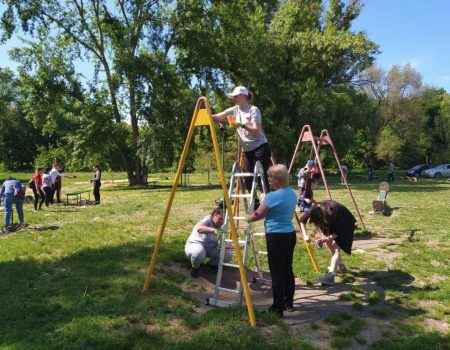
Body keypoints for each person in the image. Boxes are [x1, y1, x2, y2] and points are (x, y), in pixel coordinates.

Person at [247, 164, 297, 317]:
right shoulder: (292, 193)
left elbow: (258, 215)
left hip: (276, 236)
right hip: (289, 234)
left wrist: (246, 218)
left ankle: (277, 308)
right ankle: (288, 303)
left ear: (278, 179)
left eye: (271, 177)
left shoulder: (271, 197)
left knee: (276, 273)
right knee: (287, 269)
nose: (269, 180)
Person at [212, 86, 272, 195]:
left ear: (244, 96)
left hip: (260, 147)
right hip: (247, 149)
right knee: (247, 178)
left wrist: (242, 125)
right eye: (233, 97)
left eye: (236, 96)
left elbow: (257, 130)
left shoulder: (253, 110)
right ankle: (255, 204)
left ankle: (267, 201)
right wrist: (209, 116)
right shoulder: (233, 110)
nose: (234, 98)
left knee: (260, 177)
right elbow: (217, 116)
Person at [299, 200, 357, 285]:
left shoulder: (333, 213)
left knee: (336, 248)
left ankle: (330, 277)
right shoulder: (314, 210)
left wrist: (326, 238)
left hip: (347, 224)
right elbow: (302, 220)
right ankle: (340, 264)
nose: (318, 224)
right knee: (329, 242)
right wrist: (305, 235)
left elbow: (340, 231)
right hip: (334, 222)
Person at [184, 205, 232, 278]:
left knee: (228, 254)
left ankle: (211, 265)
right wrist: (214, 231)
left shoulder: (222, 224)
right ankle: (195, 267)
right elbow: (200, 229)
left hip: (211, 248)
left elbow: (222, 242)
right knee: (198, 253)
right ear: (215, 214)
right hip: (196, 245)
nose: (222, 222)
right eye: (221, 219)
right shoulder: (207, 219)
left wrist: (232, 245)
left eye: (224, 220)